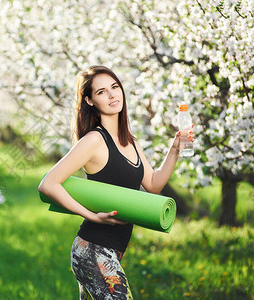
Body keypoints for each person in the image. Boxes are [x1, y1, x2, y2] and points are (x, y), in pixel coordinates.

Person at [37, 65, 195, 300]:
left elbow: (153, 184)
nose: (112, 95)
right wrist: (92, 215)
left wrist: (174, 149)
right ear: (90, 101)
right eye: (101, 92)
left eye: (114, 87)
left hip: (114, 249)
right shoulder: (93, 140)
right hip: (92, 248)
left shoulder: (129, 140)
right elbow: (48, 184)